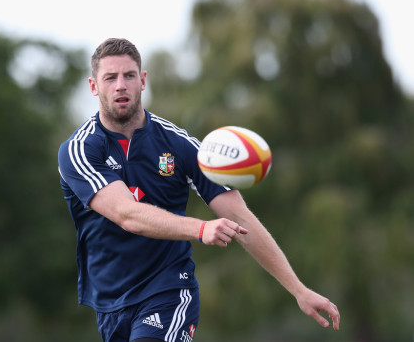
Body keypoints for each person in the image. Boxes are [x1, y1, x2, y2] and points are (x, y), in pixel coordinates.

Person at [58, 38, 340, 342]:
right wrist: (200, 227)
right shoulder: (80, 150)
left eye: (129, 75)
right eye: (110, 78)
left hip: (169, 290)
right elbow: (127, 214)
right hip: (110, 302)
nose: (120, 85)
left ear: (142, 80)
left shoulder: (181, 146)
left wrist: (299, 290)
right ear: (93, 86)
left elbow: (241, 219)